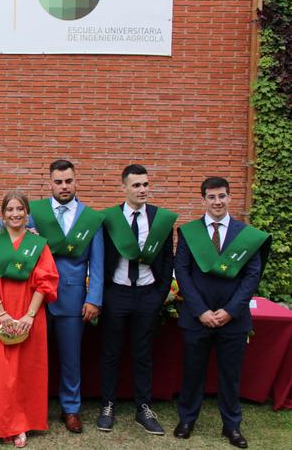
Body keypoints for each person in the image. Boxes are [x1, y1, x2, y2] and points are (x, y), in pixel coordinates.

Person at [173, 177, 270, 449]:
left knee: (231, 374)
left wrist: (229, 310)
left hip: (234, 319)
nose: (217, 202)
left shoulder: (245, 235)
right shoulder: (189, 232)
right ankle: (187, 419)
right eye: (212, 197)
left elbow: (252, 276)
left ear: (229, 198)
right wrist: (201, 310)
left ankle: (232, 426)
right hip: (197, 317)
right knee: (192, 372)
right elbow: (182, 272)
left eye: (222, 196)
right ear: (203, 200)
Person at [0, 190, 59, 448]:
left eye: (20, 209)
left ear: (27, 213)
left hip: (29, 313)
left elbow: (45, 281)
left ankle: (19, 424)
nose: (15, 214)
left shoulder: (39, 244)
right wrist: (1, 313)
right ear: (3, 214)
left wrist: (29, 316)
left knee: (24, 371)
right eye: (10, 209)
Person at [97, 164, 176, 435]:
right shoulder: (110, 219)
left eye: (145, 184)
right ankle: (107, 404)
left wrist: (159, 294)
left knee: (143, 354)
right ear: (124, 188)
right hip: (116, 292)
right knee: (111, 352)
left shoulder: (160, 218)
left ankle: (144, 407)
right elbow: (102, 257)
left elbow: (167, 259)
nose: (142, 190)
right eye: (136, 185)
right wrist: (104, 295)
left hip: (147, 293)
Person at [27, 159, 104, 433]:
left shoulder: (90, 218)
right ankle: (33, 407)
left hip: (73, 298)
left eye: (68, 181)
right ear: (49, 183)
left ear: (75, 182)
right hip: (37, 297)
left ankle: (71, 409)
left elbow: (97, 263)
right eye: (58, 181)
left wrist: (93, 298)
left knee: (71, 358)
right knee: (34, 356)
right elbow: (15, 237)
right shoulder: (35, 212)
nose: (64, 186)